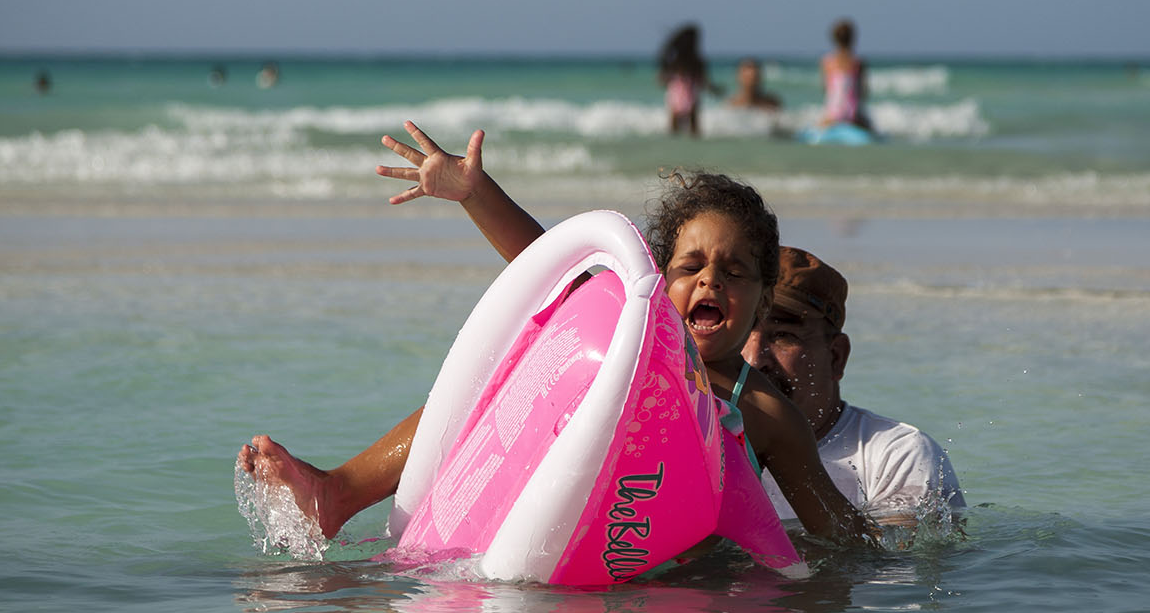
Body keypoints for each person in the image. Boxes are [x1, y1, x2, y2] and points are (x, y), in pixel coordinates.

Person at [240, 121, 884, 552]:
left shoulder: (766, 414)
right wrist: (474, 192)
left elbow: (838, 534)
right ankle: (337, 492)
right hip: (553, 530)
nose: (710, 281)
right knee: (492, 386)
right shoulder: (629, 338)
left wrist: (898, 556)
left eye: (734, 273)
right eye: (690, 268)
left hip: (672, 575)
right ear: (660, 280)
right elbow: (544, 263)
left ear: (762, 301)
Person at [743, 247, 964, 526]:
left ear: (836, 357)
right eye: (741, 333)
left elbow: (894, 553)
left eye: (783, 336)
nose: (754, 359)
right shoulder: (699, 450)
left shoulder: (897, 456)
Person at [657, 24, 720, 136]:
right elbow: (703, 81)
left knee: (673, 130)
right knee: (694, 130)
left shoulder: (674, 62)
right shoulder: (696, 62)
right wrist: (714, 89)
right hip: (691, 96)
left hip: (675, 96)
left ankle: (674, 144)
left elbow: (662, 80)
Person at [820, 19, 877, 134]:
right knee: (871, 129)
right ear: (853, 39)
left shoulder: (827, 62)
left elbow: (825, 88)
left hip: (833, 113)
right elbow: (863, 91)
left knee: (820, 125)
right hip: (853, 114)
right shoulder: (858, 63)